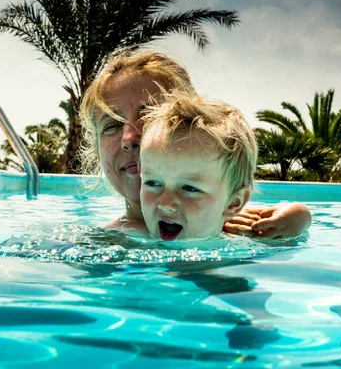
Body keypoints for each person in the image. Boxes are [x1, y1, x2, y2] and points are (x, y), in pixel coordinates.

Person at [79, 50, 311, 238]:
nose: (130, 138)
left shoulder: (222, 218)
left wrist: (297, 218)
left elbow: (292, 216)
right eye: (111, 126)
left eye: (151, 115)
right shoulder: (105, 240)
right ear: (98, 152)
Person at [139, 91, 256, 241]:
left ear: (233, 203)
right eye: (152, 183)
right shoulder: (127, 238)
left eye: (190, 188)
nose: (165, 204)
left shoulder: (248, 251)